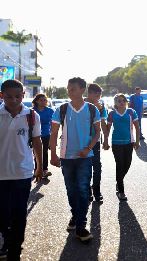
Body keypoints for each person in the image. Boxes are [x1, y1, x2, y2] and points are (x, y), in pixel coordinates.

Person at [50, 77, 101, 242]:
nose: (69, 91)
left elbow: (97, 132)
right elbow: (54, 133)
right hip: (66, 157)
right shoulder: (62, 109)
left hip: (85, 157)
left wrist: (88, 148)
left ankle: (80, 226)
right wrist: (53, 154)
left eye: (72, 88)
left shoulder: (92, 109)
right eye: (68, 88)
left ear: (81, 90)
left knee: (83, 189)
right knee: (71, 191)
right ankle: (75, 215)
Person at [0, 79, 43, 260]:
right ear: (1, 96)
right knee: (2, 214)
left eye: (18, 96)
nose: (14, 100)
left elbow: (37, 142)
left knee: (19, 213)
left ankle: (15, 249)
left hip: (22, 173)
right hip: (1, 174)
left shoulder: (31, 116)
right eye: (9, 96)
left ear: (23, 96)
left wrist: (40, 166)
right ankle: (6, 241)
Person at [103, 94, 140, 201]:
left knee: (127, 164)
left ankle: (118, 182)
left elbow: (137, 127)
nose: (122, 102)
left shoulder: (131, 112)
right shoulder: (112, 114)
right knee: (119, 165)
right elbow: (108, 129)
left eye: (123, 100)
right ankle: (121, 191)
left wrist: (137, 141)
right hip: (116, 143)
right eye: (119, 101)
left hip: (129, 143)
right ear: (115, 103)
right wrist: (105, 142)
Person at [84, 83, 108, 202]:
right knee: (85, 167)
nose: (99, 97)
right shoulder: (81, 104)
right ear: (89, 93)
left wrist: (106, 139)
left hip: (96, 140)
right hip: (82, 141)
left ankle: (97, 190)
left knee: (97, 166)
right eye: (96, 94)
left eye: (100, 95)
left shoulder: (101, 107)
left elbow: (103, 122)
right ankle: (87, 190)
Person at [32, 93, 54, 178]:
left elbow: (53, 125)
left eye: (45, 100)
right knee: (34, 152)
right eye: (41, 100)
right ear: (37, 101)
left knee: (44, 152)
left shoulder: (50, 111)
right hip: (34, 135)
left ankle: (44, 170)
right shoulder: (32, 111)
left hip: (46, 134)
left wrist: (52, 137)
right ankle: (35, 169)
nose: (43, 102)